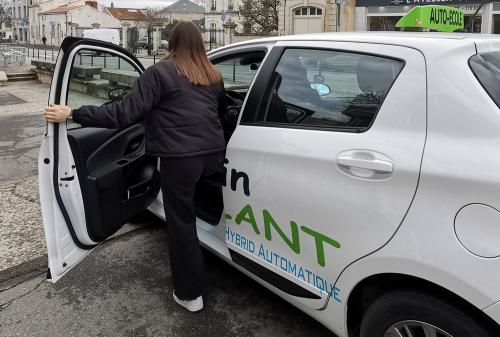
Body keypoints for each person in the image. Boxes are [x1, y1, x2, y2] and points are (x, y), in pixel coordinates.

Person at [43, 21, 226, 312]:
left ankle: (190, 295)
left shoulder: (160, 73)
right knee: (198, 207)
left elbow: (124, 113)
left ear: (171, 43)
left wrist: (74, 112)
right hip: (214, 155)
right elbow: (215, 112)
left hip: (181, 160)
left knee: (181, 223)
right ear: (200, 44)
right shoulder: (213, 75)